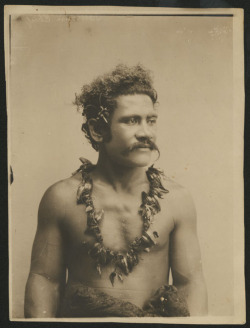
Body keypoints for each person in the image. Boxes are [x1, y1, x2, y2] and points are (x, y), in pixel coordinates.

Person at [24, 64, 208, 318]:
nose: (146, 132)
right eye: (131, 120)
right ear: (97, 130)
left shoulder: (177, 200)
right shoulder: (62, 198)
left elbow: (190, 284)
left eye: (151, 120)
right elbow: (45, 279)